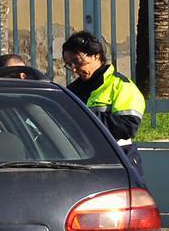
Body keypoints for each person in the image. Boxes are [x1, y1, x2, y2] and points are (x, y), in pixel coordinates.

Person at [62, 31, 146, 160]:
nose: (74, 69)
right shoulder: (72, 90)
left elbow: (128, 126)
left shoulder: (121, 85)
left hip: (118, 157)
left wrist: (82, 116)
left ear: (96, 55)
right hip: (80, 157)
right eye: (69, 64)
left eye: (77, 61)